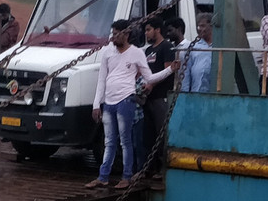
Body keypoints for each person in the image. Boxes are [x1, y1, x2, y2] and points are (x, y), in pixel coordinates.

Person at [87, 20, 178, 190]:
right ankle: (103, 176)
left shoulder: (136, 53)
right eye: (112, 33)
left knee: (125, 140)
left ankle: (126, 176)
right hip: (108, 101)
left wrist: (170, 70)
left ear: (126, 34)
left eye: (117, 33)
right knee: (109, 141)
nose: (114, 37)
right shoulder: (107, 52)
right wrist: (96, 104)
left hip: (126, 100)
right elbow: (101, 80)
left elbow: (149, 78)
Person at [141, 19, 175, 175]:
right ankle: (149, 168)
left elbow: (168, 70)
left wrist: (152, 85)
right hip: (147, 98)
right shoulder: (148, 51)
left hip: (160, 96)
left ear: (157, 30)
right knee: (148, 135)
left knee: (161, 133)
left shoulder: (166, 47)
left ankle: (162, 169)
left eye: (149, 30)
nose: (146, 33)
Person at [181, 13, 213, 93]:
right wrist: (185, 92)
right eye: (198, 26)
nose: (199, 29)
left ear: (211, 26)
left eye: (203, 26)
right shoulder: (194, 46)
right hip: (197, 90)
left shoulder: (220, 44)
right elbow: (186, 72)